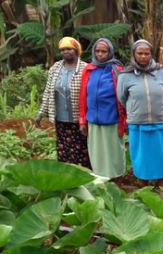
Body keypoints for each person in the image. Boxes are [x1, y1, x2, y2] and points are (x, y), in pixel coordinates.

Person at [117, 39, 163, 187]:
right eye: (140, 53)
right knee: (141, 156)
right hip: (138, 124)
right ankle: (143, 184)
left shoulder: (161, 72)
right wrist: (135, 108)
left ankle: (160, 185)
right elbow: (122, 97)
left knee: (160, 155)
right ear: (134, 54)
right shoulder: (125, 75)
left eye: (146, 53)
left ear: (151, 55)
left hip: (158, 122)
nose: (143, 56)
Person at [36, 36, 90, 168]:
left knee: (81, 151)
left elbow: (89, 94)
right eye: (63, 50)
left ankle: (83, 178)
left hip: (79, 119)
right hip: (60, 118)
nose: (66, 52)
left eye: (69, 49)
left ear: (76, 50)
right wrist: (41, 113)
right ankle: (66, 178)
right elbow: (48, 91)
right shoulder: (56, 68)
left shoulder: (86, 68)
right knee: (63, 150)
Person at [78, 38, 127, 179]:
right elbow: (83, 96)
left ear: (110, 52)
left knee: (113, 150)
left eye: (103, 51)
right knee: (96, 151)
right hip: (93, 118)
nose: (100, 54)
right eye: (97, 51)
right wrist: (82, 120)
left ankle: (116, 177)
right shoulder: (89, 70)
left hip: (112, 118)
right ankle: (100, 177)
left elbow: (124, 96)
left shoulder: (117, 70)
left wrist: (126, 119)